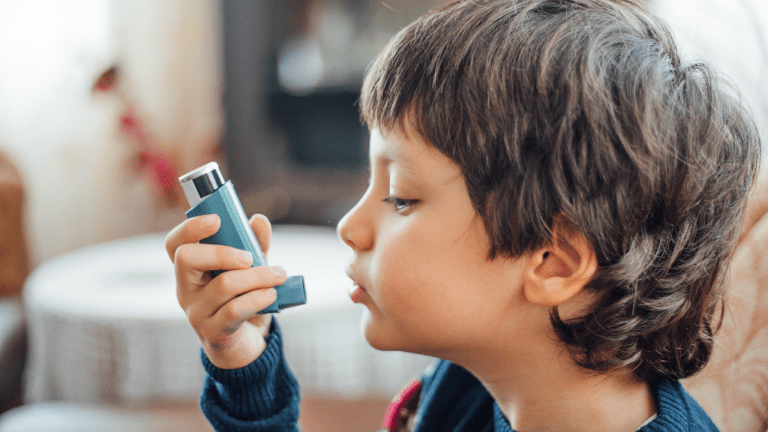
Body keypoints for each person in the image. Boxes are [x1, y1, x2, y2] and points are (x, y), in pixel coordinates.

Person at [164, 0, 761, 430]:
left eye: (400, 196)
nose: (350, 227)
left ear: (553, 263)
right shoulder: (469, 390)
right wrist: (244, 363)